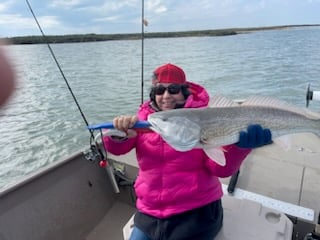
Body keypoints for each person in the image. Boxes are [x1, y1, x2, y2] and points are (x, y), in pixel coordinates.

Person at [103, 63, 271, 240]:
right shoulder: (145, 120)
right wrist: (118, 134)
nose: (166, 96)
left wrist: (239, 148)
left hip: (197, 211)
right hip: (150, 212)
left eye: (173, 89)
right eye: (159, 90)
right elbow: (116, 148)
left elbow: (220, 169)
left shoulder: (204, 118)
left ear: (184, 91)